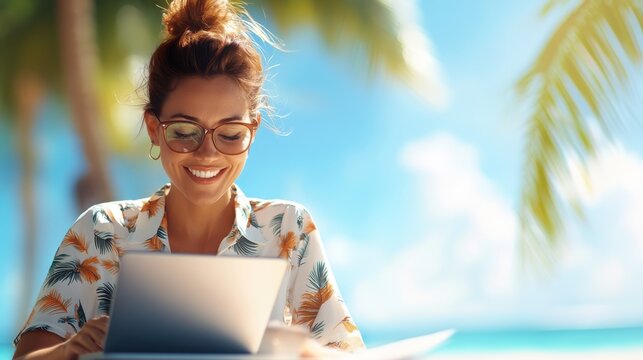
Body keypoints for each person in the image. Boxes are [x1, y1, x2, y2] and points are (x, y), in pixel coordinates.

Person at [12, 0, 365, 359]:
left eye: (229, 133)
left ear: (252, 132)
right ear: (154, 129)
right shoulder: (101, 231)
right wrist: (71, 350)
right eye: (184, 131)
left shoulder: (288, 229)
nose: (207, 154)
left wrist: (300, 350)